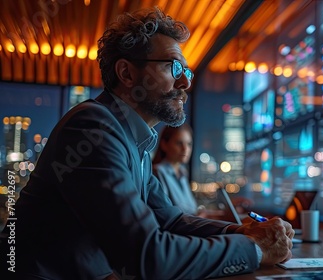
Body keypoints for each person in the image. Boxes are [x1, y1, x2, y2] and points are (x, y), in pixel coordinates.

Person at [0, 7, 294, 280]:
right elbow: (147, 257)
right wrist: (254, 249)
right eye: (173, 69)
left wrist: (242, 230)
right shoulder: (92, 127)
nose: (185, 84)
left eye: (187, 73)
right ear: (127, 73)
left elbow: (171, 220)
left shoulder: (134, 141)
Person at [152, 123, 201, 216]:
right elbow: (166, 215)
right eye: (179, 143)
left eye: (189, 144)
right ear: (164, 145)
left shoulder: (182, 173)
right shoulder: (157, 172)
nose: (185, 149)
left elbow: (192, 211)